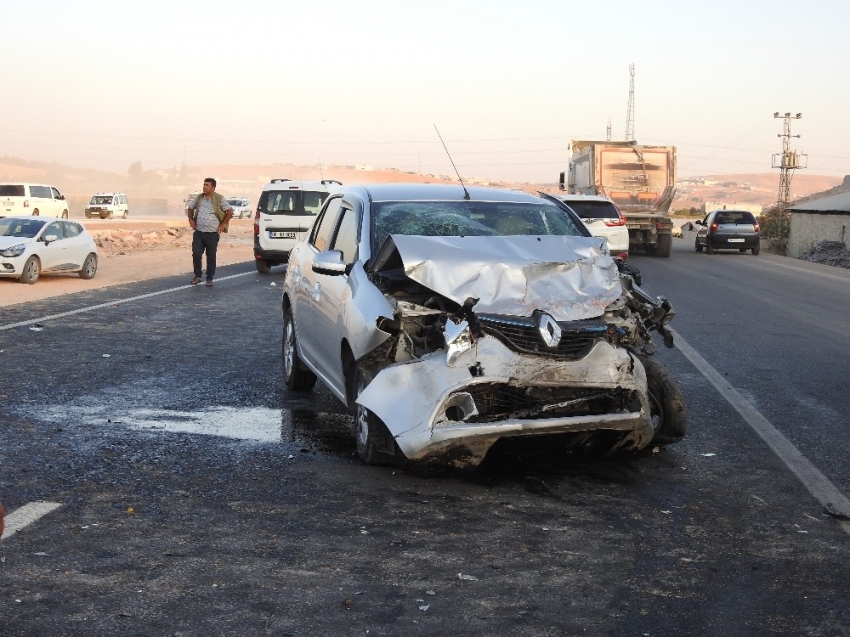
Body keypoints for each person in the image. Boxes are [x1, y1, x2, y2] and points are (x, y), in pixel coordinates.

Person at [186, 178, 233, 287]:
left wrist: (223, 224)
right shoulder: (199, 198)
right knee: (196, 254)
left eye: (207, 185)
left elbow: (230, 211)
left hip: (212, 234)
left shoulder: (219, 199)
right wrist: (191, 220)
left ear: (213, 188)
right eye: (204, 185)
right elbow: (190, 208)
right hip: (199, 233)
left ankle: (209, 278)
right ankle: (197, 276)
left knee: (211, 256)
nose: (204, 187)